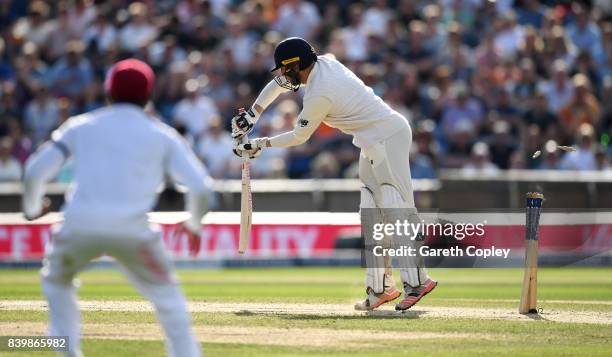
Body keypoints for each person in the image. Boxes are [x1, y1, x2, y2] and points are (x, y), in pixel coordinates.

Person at [231, 37, 436, 311]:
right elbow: (279, 85)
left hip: (389, 136)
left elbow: (299, 137)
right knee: (370, 209)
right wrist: (253, 115)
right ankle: (380, 288)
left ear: (296, 65)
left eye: (284, 68)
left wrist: (258, 144)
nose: (282, 75)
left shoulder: (320, 93)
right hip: (372, 141)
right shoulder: (325, 61)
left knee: (394, 205)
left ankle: (418, 281)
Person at [22, 59, 210, 357]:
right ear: (148, 96)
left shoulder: (80, 126)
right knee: (169, 302)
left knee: (57, 282)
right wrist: (195, 224)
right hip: (133, 231)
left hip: (78, 226)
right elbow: (202, 188)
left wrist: (32, 209)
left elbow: (34, 172)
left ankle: (68, 351)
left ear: (108, 92)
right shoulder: (162, 135)